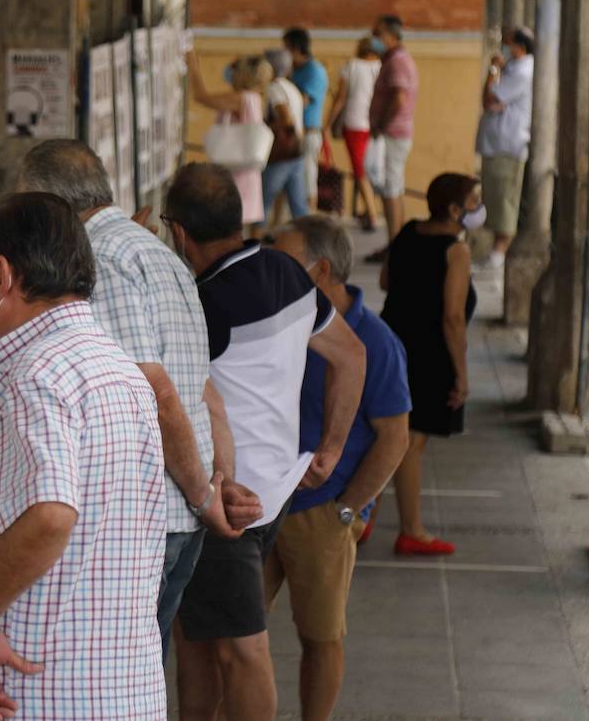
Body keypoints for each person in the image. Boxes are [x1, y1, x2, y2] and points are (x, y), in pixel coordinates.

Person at [0, 192, 169, 719]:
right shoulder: (119, 370)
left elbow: (51, 514)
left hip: (28, 693)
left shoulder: (36, 376)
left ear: (3, 275)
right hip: (117, 686)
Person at [15, 141, 262, 660]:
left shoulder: (101, 259)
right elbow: (201, 389)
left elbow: (157, 393)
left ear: (50, 203)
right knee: (133, 683)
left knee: (103, 687)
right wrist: (216, 482)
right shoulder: (154, 253)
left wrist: (203, 495)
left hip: (147, 518)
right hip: (173, 514)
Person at [162, 163, 366, 721]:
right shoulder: (284, 270)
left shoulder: (200, 304)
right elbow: (351, 355)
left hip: (227, 506)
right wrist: (329, 450)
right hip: (273, 492)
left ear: (178, 232)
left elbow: (193, 403)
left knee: (241, 650)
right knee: (200, 643)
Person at [268, 216, 412, 721]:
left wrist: (348, 511)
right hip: (260, 503)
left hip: (319, 514)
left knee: (320, 639)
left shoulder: (376, 342)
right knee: (233, 636)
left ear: (321, 269)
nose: (269, 271)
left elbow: (395, 436)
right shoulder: (279, 322)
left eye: (283, 261)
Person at [380, 173, 482, 556]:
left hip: (393, 341)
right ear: (455, 210)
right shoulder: (456, 251)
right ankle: (411, 529)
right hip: (427, 352)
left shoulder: (407, 231)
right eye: (474, 202)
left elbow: (386, 280)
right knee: (410, 440)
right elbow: (453, 318)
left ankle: (364, 512)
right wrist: (461, 374)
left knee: (389, 432)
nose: (478, 209)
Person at [476, 26, 535, 271]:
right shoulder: (514, 68)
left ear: (519, 46)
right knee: (496, 196)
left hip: (508, 144)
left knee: (504, 199)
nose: (504, 47)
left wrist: (493, 69)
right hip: (498, 143)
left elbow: (489, 100)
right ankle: (496, 251)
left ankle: (499, 252)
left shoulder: (522, 72)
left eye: (507, 42)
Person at [189, 51, 269, 230]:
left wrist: (194, 69)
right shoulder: (255, 97)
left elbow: (201, 97)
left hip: (235, 170)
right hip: (245, 169)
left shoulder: (240, 98)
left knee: (228, 221)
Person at [366, 15, 419, 262]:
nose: (374, 39)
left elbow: (399, 97)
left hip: (393, 133)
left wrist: (382, 125)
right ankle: (397, 243)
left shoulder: (397, 61)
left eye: (378, 34)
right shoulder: (394, 60)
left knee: (390, 188)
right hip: (395, 133)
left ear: (390, 35)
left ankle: (395, 246)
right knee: (393, 187)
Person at [325, 37, 384, 231]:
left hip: (354, 122)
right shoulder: (381, 67)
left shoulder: (351, 66)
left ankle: (372, 214)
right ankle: (369, 210)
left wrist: (328, 123)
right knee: (370, 168)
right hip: (375, 124)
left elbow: (341, 98)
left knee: (360, 170)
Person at [284, 28, 330, 213]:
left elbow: (302, 101)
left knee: (308, 180)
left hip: (308, 133)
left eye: (286, 47)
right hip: (294, 133)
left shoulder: (314, 71)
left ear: (296, 48)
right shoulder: (295, 71)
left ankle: (309, 218)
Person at [262, 48, 309, 226]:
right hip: (295, 151)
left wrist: (264, 126)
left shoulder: (274, 89)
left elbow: (287, 119)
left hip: (281, 154)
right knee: (298, 206)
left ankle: (255, 243)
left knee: (263, 203)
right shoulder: (291, 87)